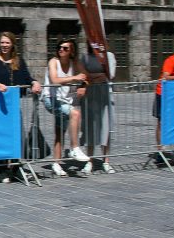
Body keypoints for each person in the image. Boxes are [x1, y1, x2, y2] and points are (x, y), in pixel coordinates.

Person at [0, 32, 44, 181]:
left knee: (17, 136)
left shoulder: (18, 61)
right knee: (0, 137)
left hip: (13, 105)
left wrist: (34, 82)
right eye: (2, 43)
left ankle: (17, 166)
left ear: (12, 44)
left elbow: (26, 77)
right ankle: (0, 169)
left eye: (7, 43)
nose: (4, 45)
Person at [41, 39, 89, 176]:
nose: (61, 50)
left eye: (65, 48)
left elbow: (85, 76)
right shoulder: (53, 62)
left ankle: (56, 163)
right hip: (51, 100)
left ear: (71, 51)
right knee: (75, 114)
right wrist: (74, 78)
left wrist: (83, 86)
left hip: (65, 101)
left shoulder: (75, 63)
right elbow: (55, 80)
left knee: (59, 131)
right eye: (60, 47)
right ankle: (74, 148)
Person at [80, 46, 117, 174]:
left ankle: (106, 161)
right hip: (90, 96)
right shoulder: (85, 57)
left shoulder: (109, 56)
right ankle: (89, 160)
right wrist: (93, 77)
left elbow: (110, 74)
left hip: (105, 95)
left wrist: (92, 77)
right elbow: (83, 75)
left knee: (106, 128)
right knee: (90, 128)